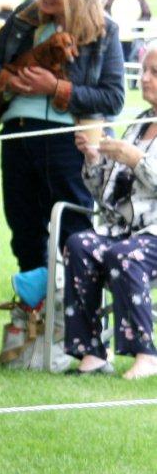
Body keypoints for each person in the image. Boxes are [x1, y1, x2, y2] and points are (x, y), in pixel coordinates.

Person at [0, 0, 124, 277]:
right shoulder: (26, 15)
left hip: (67, 143)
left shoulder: (104, 32)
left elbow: (113, 98)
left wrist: (55, 88)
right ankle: (34, 315)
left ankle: (75, 313)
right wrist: (9, 79)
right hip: (17, 135)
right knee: (23, 230)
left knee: (72, 231)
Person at [63, 45, 157, 380]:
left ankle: (146, 354)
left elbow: (143, 171)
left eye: (154, 72)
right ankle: (90, 351)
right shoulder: (140, 124)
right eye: (143, 70)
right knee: (79, 244)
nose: (144, 79)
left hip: (152, 237)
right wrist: (93, 159)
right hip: (124, 232)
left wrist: (137, 161)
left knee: (124, 254)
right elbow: (109, 195)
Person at [105, 0, 151, 88]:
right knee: (116, 62)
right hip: (116, 37)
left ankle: (133, 84)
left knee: (133, 61)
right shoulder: (111, 0)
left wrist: (138, 27)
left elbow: (146, 15)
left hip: (134, 38)